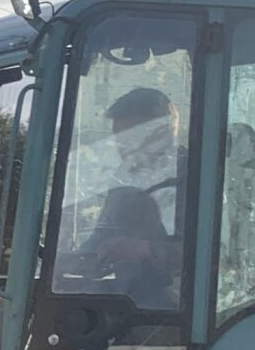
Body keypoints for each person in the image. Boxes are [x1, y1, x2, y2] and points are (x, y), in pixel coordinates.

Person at [75, 85, 187, 309]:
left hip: (179, 304)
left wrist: (144, 249)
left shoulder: (196, 176)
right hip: (128, 298)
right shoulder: (123, 176)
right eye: (119, 140)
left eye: (130, 139)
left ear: (162, 132)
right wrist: (80, 258)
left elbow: (215, 257)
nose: (122, 149)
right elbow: (105, 232)